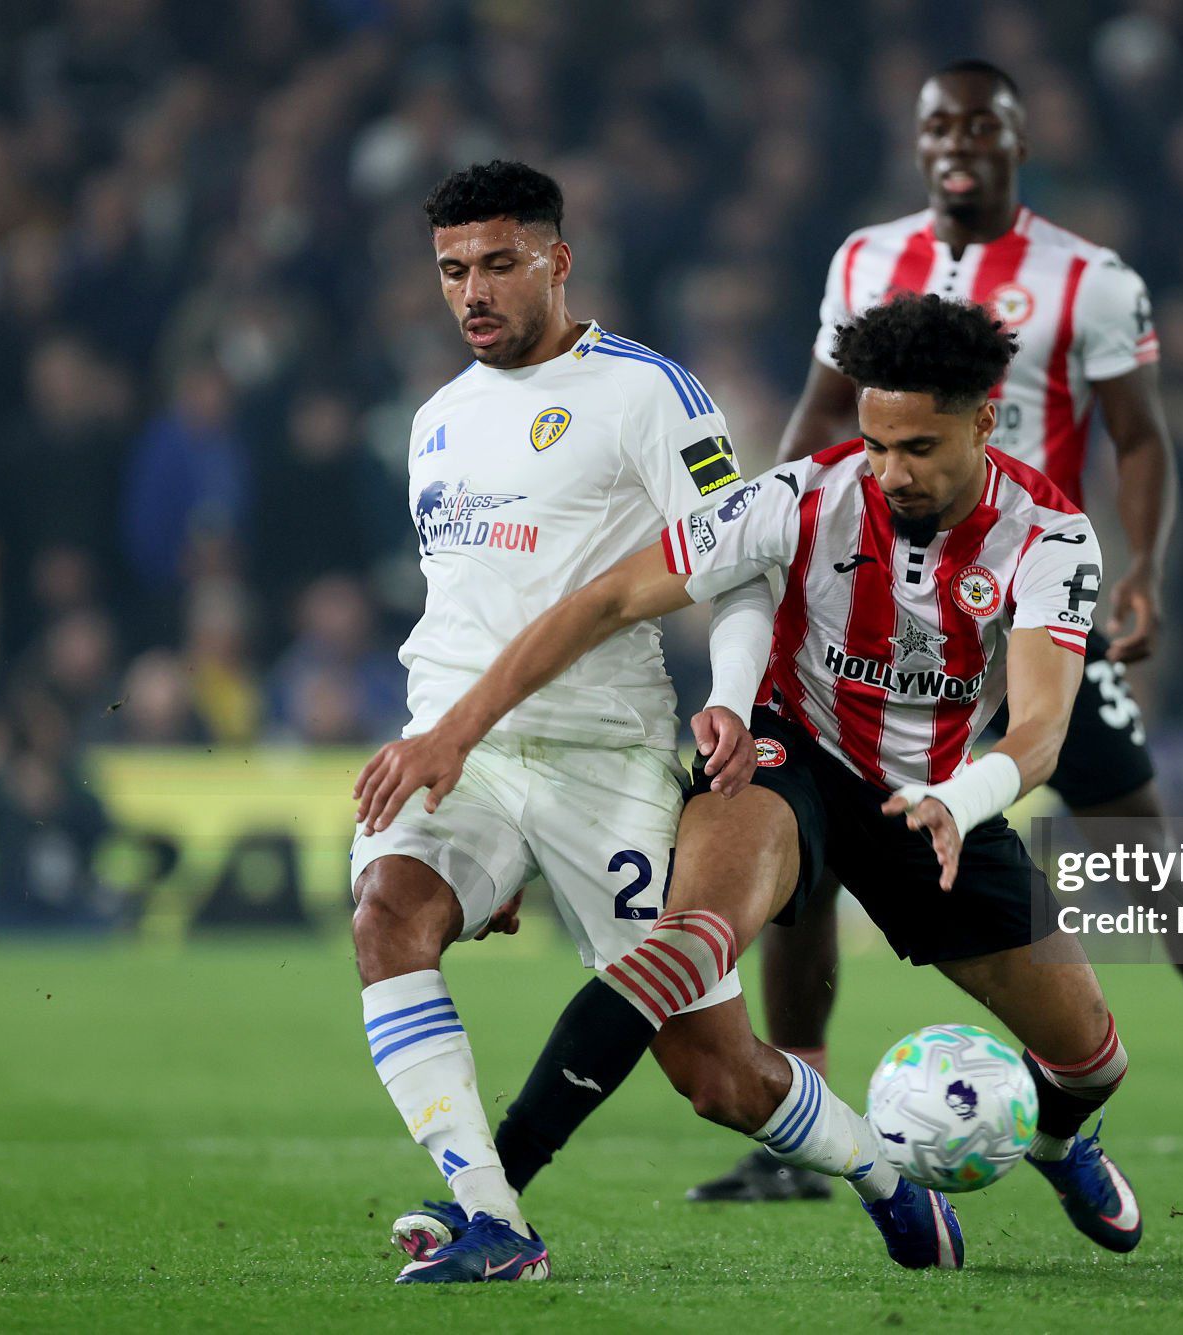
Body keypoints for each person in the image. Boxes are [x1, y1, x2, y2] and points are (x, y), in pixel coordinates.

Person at [696, 57, 1183, 1204]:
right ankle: (798, 1138)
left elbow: (1140, 438)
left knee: (1146, 857)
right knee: (802, 865)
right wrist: (778, 543)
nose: (955, 142)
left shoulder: (1090, 280)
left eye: (979, 124)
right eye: (935, 126)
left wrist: (1145, 568)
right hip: (881, 614)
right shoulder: (863, 259)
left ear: (1019, 139)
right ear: (916, 142)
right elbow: (821, 418)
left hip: (1031, 612)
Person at [357, 295, 1145, 1272]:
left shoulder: (1048, 537)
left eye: (917, 448)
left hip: (937, 797)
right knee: (682, 948)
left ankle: (1060, 1145)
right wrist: (459, 733)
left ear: (983, 421)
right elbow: (606, 599)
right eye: (875, 442)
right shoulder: (801, 495)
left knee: (1090, 1058)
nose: (889, 471)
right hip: (787, 760)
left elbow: (1038, 729)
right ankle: (493, 1200)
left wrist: (962, 800)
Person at [345, 160, 774, 1285]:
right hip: (459, 753)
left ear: (556, 259)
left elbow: (736, 575)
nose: (471, 291)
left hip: (604, 755)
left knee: (716, 1073)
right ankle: (494, 1222)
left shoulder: (651, 395)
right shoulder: (434, 422)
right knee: (387, 914)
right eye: (450, 271)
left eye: (496, 263)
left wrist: (729, 692)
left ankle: (878, 1172)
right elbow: (463, 611)